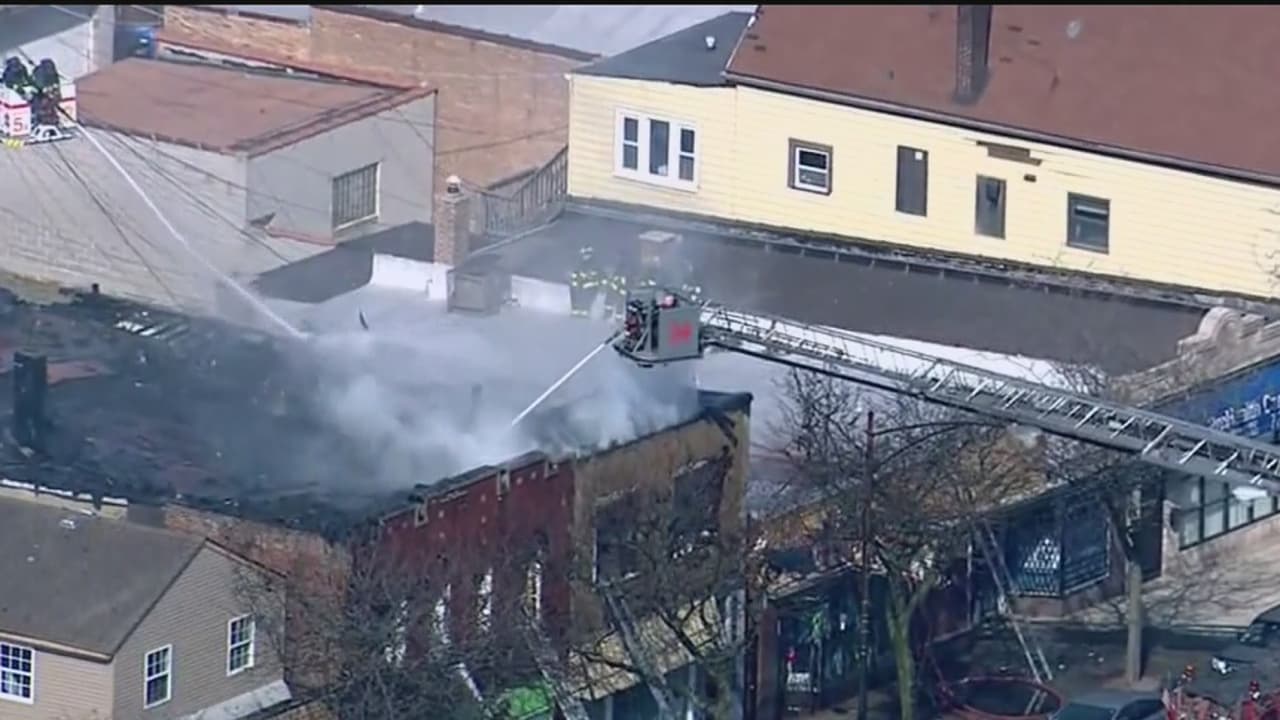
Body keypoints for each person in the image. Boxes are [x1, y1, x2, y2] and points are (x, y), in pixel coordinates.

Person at [568, 245, 601, 317]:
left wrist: (588, 281)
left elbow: (597, 277)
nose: (584, 256)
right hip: (580, 286)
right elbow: (576, 274)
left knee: (586, 294)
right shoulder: (581, 263)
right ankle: (576, 310)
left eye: (585, 254)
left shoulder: (594, 264)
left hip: (590, 287)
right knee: (574, 289)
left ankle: (585, 311)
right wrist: (574, 281)